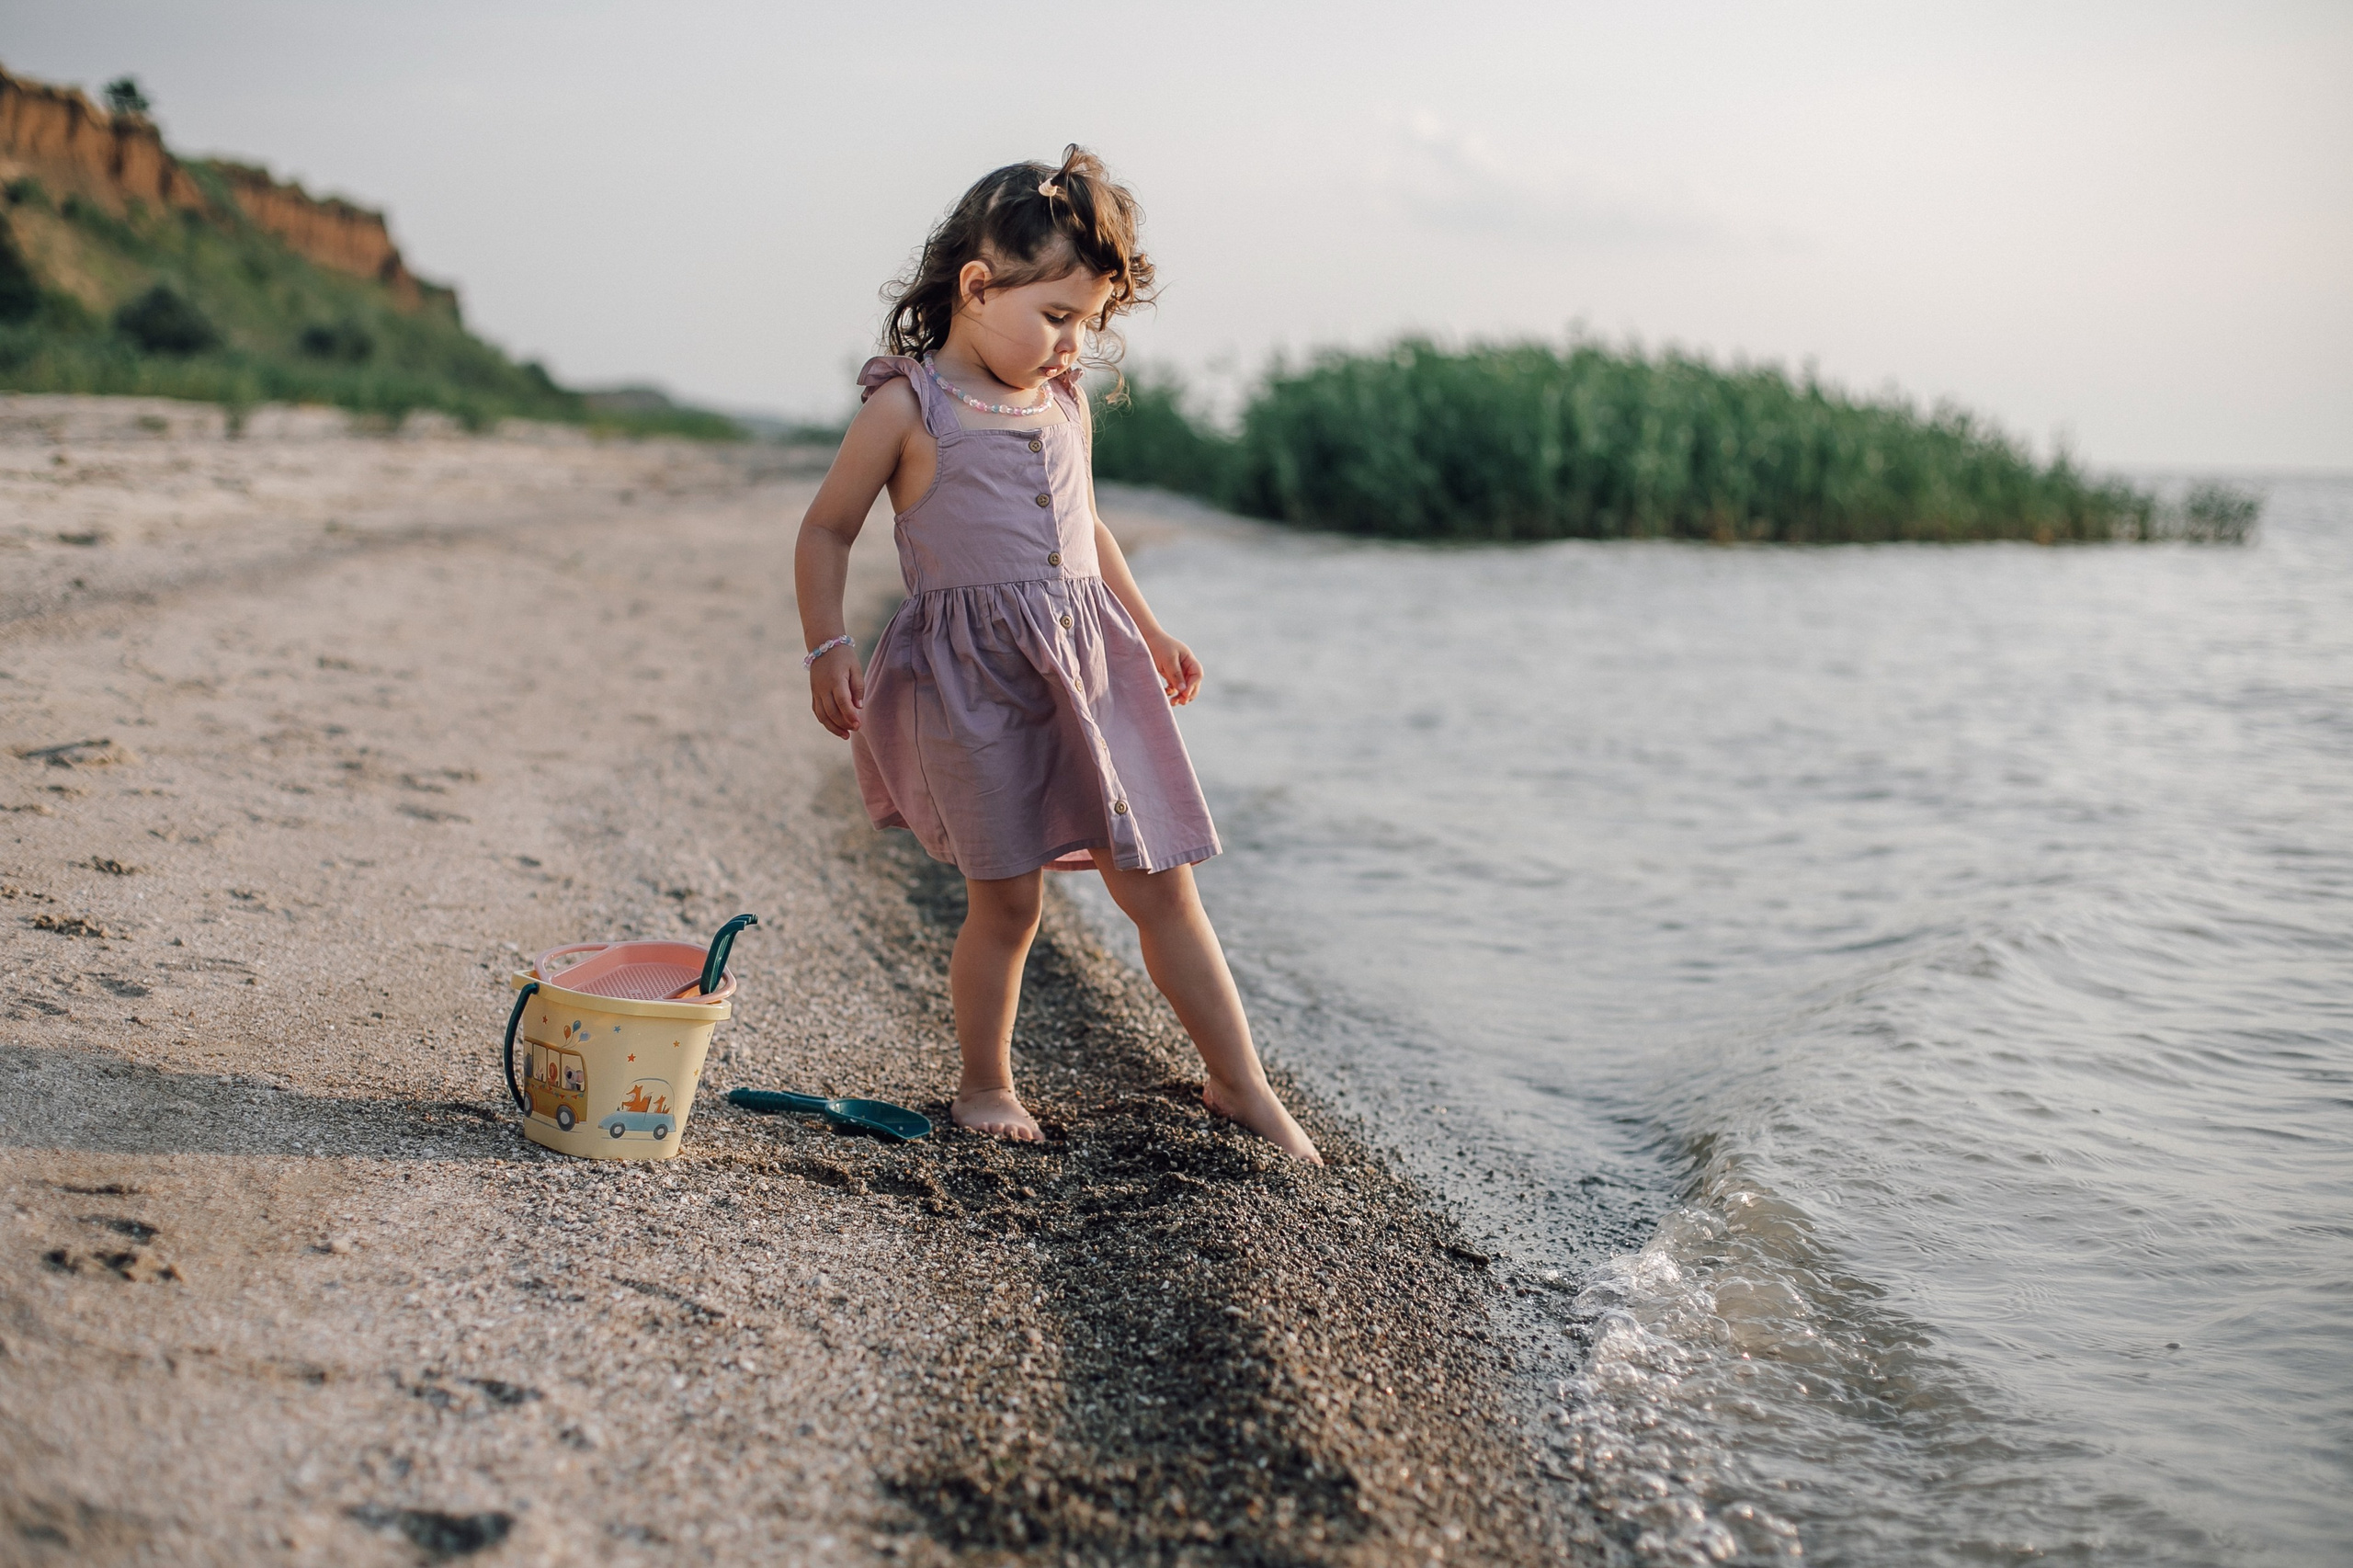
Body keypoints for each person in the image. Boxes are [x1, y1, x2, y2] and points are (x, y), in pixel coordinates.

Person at [793, 145, 1320, 1164]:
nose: (1072, 342)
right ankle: (985, 1081)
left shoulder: (1061, 398)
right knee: (1009, 897)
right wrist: (826, 641)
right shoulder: (909, 406)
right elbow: (825, 529)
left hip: (1091, 666)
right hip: (974, 686)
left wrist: (1150, 625)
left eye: (1086, 321)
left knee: (1160, 879)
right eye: (1056, 316)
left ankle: (1239, 1081)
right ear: (976, 286)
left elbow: (1089, 531)